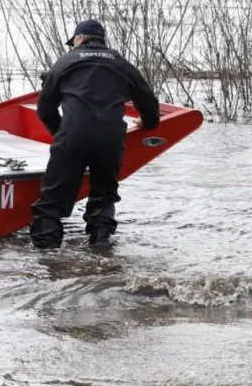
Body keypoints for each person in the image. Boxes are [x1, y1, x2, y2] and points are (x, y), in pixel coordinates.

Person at [31, 19, 161, 249]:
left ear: (80, 39)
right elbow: (148, 101)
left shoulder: (66, 61)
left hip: (72, 137)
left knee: (51, 202)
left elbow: (44, 109)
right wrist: (148, 123)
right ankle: (100, 249)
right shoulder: (122, 64)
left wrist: (60, 132)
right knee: (104, 196)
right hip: (110, 140)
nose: (72, 46)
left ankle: (47, 257)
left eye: (73, 42)